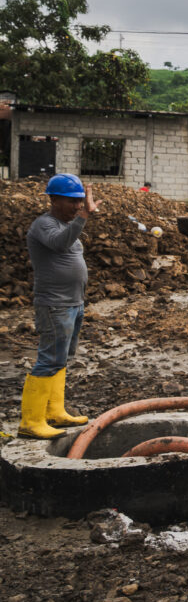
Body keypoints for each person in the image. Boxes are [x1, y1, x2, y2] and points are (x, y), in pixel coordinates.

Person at [18, 173, 102, 439]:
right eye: (71, 201)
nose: (78, 206)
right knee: (49, 360)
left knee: (62, 359)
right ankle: (31, 421)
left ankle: (55, 412)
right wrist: (85, 217)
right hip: (55, 305)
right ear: (53, 199)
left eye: (80, 201)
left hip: (73, 304)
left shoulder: (67, 225)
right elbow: (59, 242)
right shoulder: (44, 225)